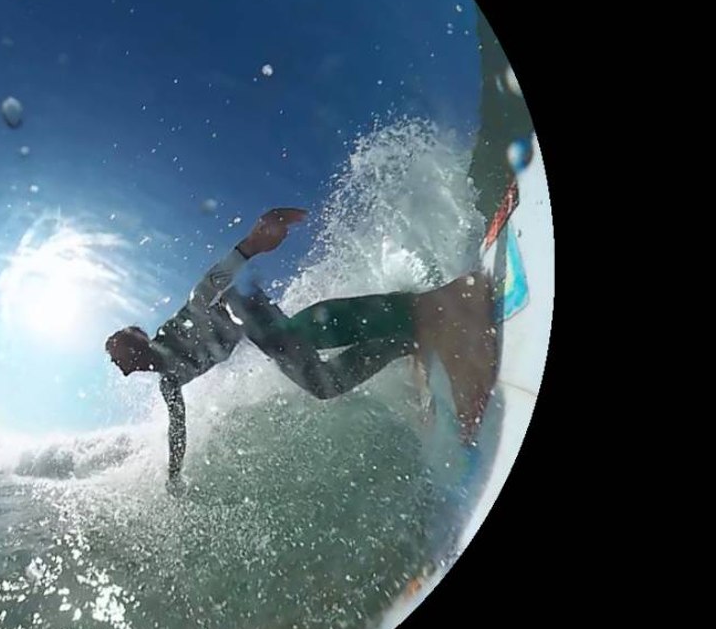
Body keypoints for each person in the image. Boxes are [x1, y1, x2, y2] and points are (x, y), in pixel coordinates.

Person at [104, 208, 497, 494]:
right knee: (322, 385)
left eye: (119, 347)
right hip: (254, 328)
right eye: (115, 358)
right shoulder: (170, 381)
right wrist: (174, 477)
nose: (117, 359)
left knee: (288, 337)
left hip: (241, 308)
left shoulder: (172, 334)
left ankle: (443, 305)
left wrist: (250, 246)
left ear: (138, 337)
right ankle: (406, 339)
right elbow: (177, 430)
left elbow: (203, 292)